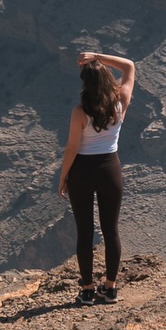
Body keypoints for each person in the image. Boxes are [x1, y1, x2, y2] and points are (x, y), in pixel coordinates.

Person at [58, 48, 135, 305]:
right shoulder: (120, 101)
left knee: (85, 231)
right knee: (110, 230)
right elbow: (129, 67)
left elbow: (71, 148)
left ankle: (88, 290)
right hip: (110, 169)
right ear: (106, 80)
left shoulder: (80, 111)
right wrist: (99, 58)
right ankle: (110, 288)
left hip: (82, 171)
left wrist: (63, 176)